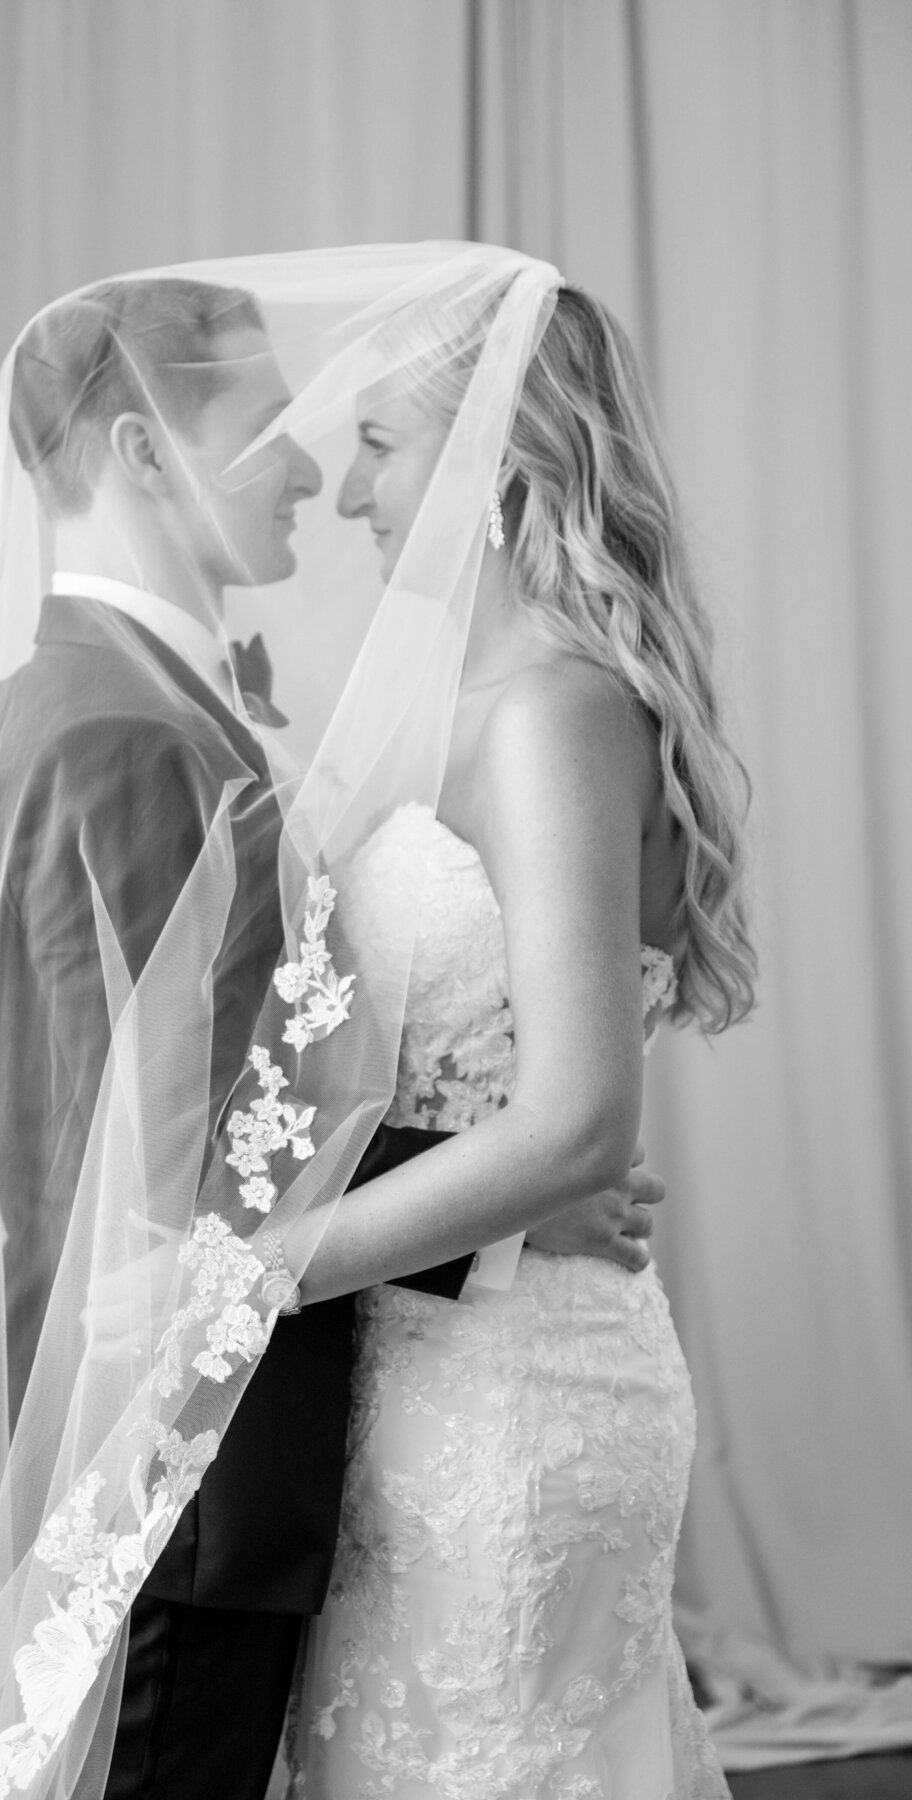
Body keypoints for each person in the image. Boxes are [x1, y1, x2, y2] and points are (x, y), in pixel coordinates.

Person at [0, 250, 670, 1800]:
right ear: (138, 452)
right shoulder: (117, 735)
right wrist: (518, 1214)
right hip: (174, 1448)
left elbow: (234, 1104)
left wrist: (531, 1182)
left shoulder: (146, 710)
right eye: (270, 423)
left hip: (268, 1430)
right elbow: (171, 1167)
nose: (314, 467)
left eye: (360, 434)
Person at [282, 278, 756, 1794]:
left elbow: (571, 1130)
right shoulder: (489, 699)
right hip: (434, 1363)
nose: (347, 490)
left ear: (494, 456)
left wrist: (249, 1279)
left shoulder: (550, 713)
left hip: (509, 1417)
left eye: (379, 444)